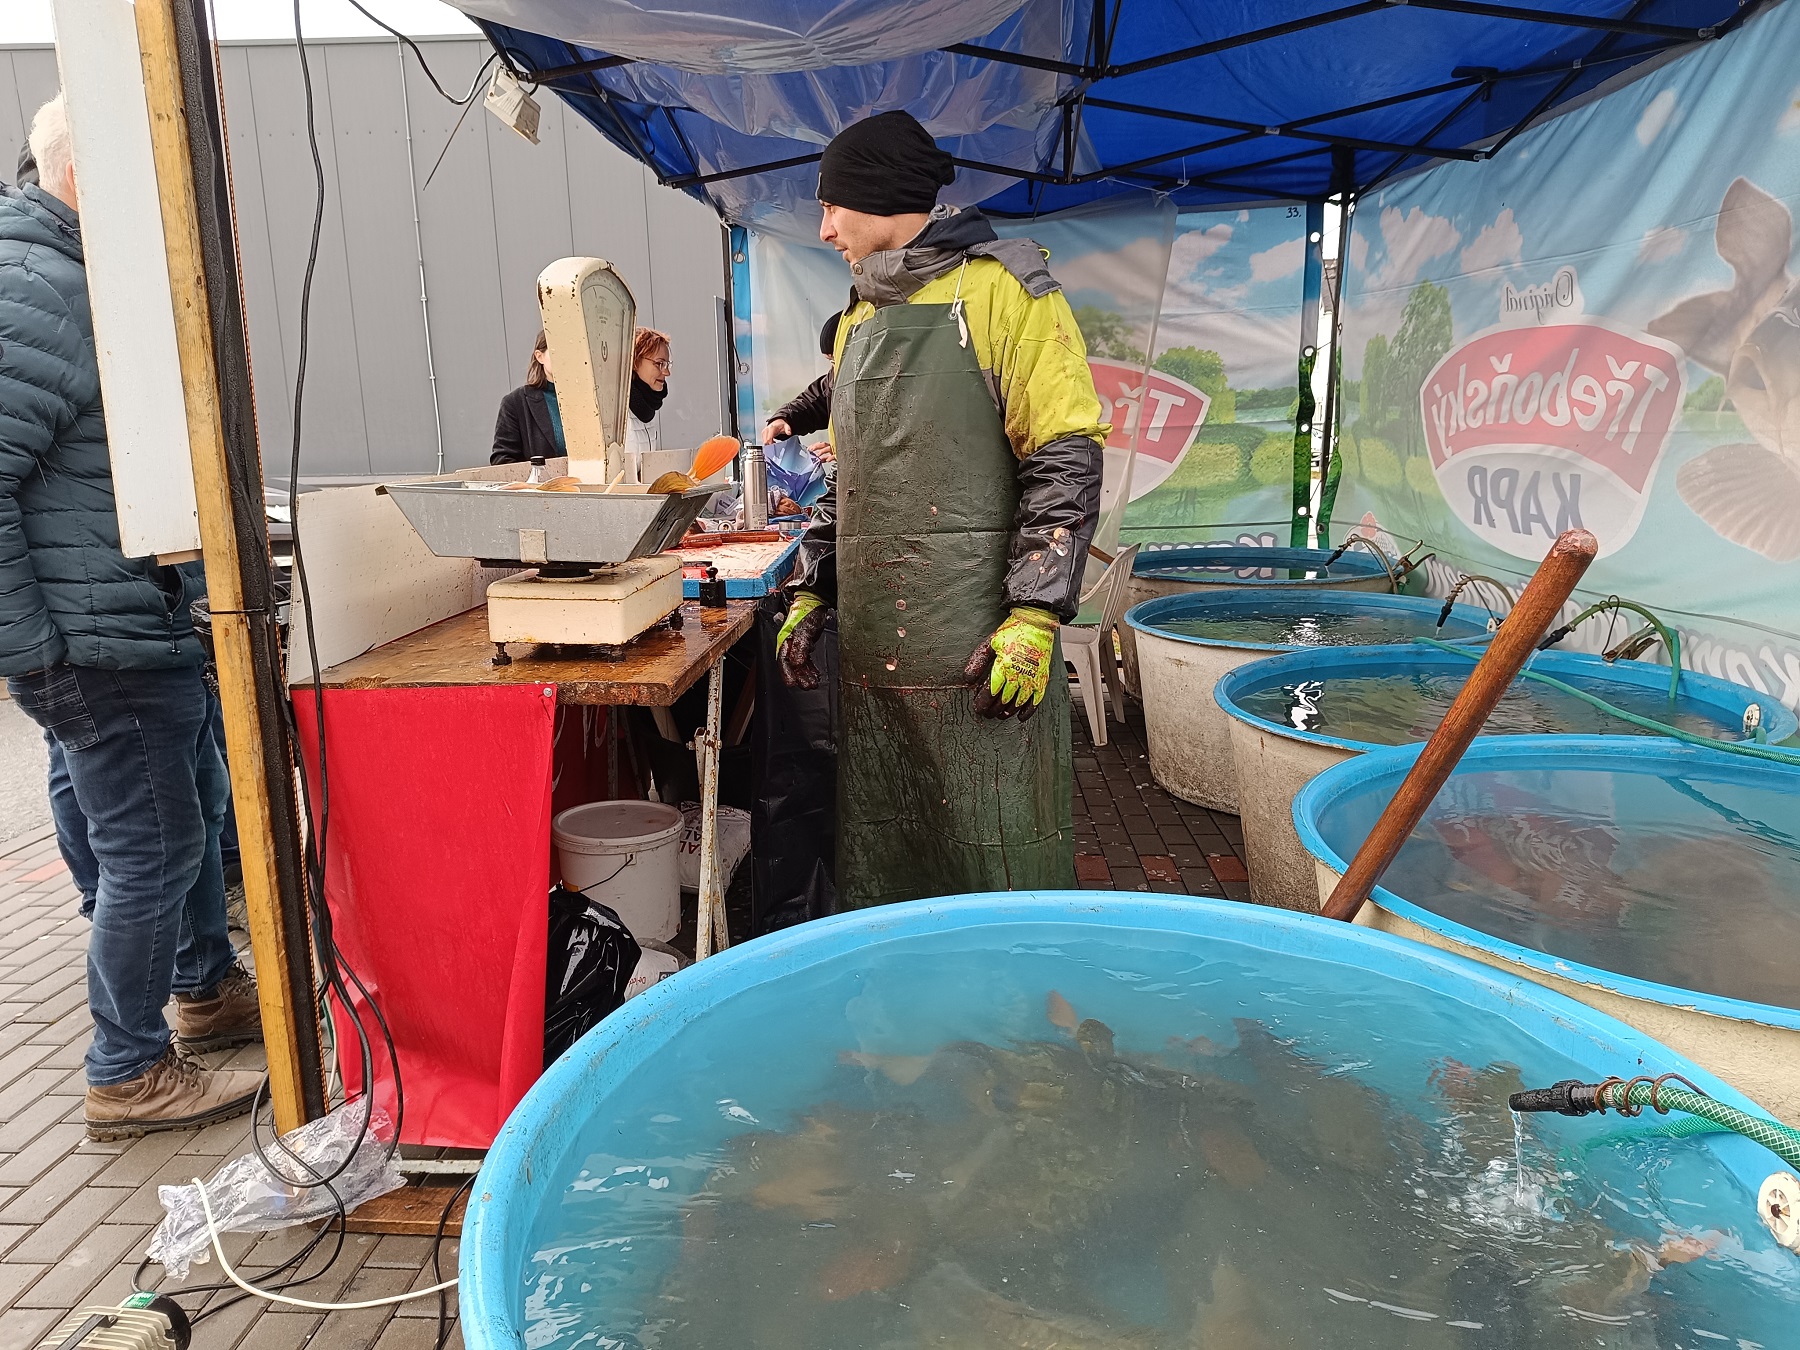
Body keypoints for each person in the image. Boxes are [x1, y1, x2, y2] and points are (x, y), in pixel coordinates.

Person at [1, 93, 263, 1138]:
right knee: (149, 852)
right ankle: (127, 1069)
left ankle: (204, 988)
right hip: (100, 644)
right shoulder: (37, 288)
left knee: (184, 820)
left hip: (138, 626)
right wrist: (38, 654)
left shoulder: (73, 280)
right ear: (87, 172)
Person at [774, 110, 1108, 909]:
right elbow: (854, 478)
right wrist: (815, 587)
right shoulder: (857, 318)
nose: (824, 230)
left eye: (831, 207)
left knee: (994, 858)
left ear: (879, 195)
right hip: (878, 661)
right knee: (890, 855)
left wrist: (1036, 612)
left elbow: (1064, 454)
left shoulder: (1006, 291)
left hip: (980, 657)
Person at [762, 313, 840, 448]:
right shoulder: (835, 378)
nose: (834, 366)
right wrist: (783, 418)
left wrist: (843, 452)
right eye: (830, 361)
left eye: (835, 360)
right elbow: (813, 402)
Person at [490, 328, 565, 465]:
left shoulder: (593, 399)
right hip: (541, 479)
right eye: (556, 350)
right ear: (539, 356)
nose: (565, 358)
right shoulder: (515, 403)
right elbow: (502, 460)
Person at [626, 326, 672, 475]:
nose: (667, 372)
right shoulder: (616, 410)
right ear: (634, 362)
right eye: (659, 364)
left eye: (667, 365)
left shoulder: (646, 407)